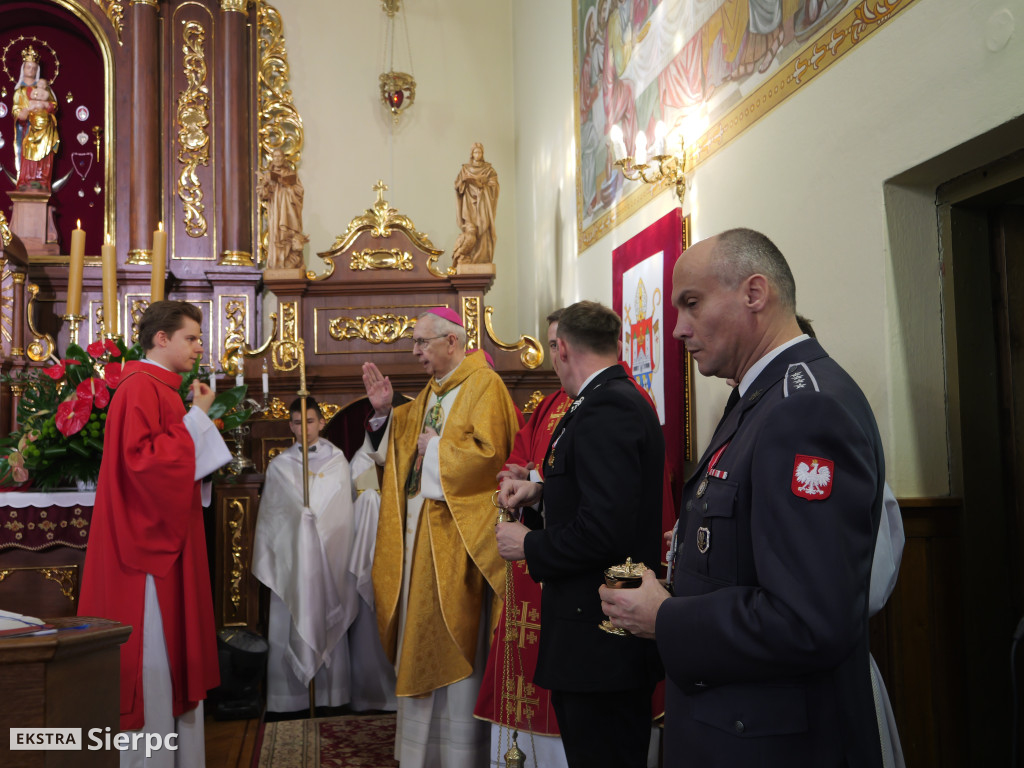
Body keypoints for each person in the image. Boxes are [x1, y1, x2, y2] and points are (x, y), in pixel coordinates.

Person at [600, 228, 887, 767]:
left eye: (692, 303)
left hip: (770, 742)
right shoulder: (758, 399)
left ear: (754, 294)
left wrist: (666, 618)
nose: (679, 330)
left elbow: (807, 619)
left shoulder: (803, 408)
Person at [495, 301, 665, 768]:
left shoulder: (606, 407)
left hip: (601, 636)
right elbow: (601, 499)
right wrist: (541, 494)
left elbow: (605, 531)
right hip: (599, 634)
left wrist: (527, 544)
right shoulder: (607, 401)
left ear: (562, 347)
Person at [360, 307, 521, 768]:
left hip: (457, 542)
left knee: (454, 638)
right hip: (418, 540)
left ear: (452, 342)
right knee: (418, 635)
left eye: (421, 343)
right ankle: (420, 753)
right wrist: (386, 413)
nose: (414, 352)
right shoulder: (435, 390)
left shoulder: (484, 386)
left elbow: (492, 457)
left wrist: (438, 452)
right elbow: (407, 441)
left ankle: (458, 754)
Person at [79, 300, 232, 767]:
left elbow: (174, 463)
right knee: (154, 656)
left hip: (168, 537)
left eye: (199, 339)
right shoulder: (139, 387)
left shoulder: (163, 389)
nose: (198, 347)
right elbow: (142, 463)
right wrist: (198, 420)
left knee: (171, 657)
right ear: (160, 339)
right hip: (144, 552)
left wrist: (194, 421)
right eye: (191, 338)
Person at [252, 396, 359, 714]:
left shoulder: (337, 460)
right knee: (292, 618)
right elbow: (273, 518)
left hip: (329, 558)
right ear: (290, 426)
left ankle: (331, 697)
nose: (304, 428)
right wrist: (301, 522)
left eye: (310, 421)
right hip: (294, 563)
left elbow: (345, 512)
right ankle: (290, 699)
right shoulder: (280, 466)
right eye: (297, 423)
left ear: (321, 422)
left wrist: (321, 528)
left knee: (328, 615)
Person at [12, 46, 59, 192]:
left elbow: (54, 105)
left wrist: (45, 105)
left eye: (34, 68)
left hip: (44, 127)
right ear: (23, 69)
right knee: (27, 152)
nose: (31, 70)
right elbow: (16, 110)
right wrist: (23, 113)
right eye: (28, 67)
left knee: (44, 153)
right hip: (28, 128)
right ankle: (26, 179)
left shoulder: (45, 89)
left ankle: (41, 179)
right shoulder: (20, 91)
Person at [257, 148, 309, 269]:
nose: (278, 159)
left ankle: (289, 260)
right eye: (275, 157)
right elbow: (263, 194)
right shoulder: (268, 175)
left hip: (288, 211)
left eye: (280, 156)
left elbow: (299, 191)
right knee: (276, 235)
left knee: (288, 235)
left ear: (284, 159)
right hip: (275, 211)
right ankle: (277, 262)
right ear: (272, 159)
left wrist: (287, 187)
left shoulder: (291, 174)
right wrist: (265, 183)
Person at [453, 142, 499, 265]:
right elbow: (457, 186)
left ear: (482, 154)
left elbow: (494, 185)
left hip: (483, 203)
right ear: (472, 154)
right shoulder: (465, 169)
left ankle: (481, 258)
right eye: (475, 152)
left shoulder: (489, 170)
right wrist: (463, 181)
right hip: (469, 205)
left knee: (484, 231)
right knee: (471, 231)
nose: (477, 154)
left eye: (480, 152)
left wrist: (485, 183)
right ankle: (466, 256)